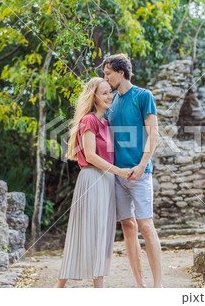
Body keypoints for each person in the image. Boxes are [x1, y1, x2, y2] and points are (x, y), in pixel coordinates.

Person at [55, 77, 131, 288]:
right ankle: (58, 287)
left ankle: (98, 288)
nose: (110, 96)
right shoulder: (89, 120)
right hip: (92, 179)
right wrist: (119, 172)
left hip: (106, 181)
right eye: (105, 93)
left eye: (111, 92)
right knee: (85, 232)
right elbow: (90, 155)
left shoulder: (105, 123)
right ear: (94, 96)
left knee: (103, 233)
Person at [102, 54, 163, 288]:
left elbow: (154, 134)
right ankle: (141, 286)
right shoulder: (110, 102)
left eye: (108, 73)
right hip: (118, 176)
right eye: (105, 74)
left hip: (140, 173)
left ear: (122, 72)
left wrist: (141, 165)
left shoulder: (143, 96)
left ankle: (158, 288)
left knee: (146, 225)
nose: (106, 78)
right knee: (128, 227)